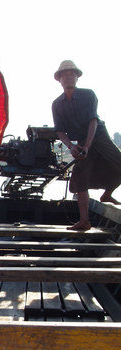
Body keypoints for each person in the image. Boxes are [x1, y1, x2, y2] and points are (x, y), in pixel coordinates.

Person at [52, 60, 121, 230]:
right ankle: (84, 221)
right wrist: (71, 146)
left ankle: (107, 194)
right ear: (59, 79)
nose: (69, 77)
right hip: (81, 141)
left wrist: (88, 146)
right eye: (65, 75)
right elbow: (60, 131)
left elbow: (93, 121)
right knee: (79, 179)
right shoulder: (57, 104)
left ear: (77, 77)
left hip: (98, 135)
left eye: (72, 74)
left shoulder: (88, 95)